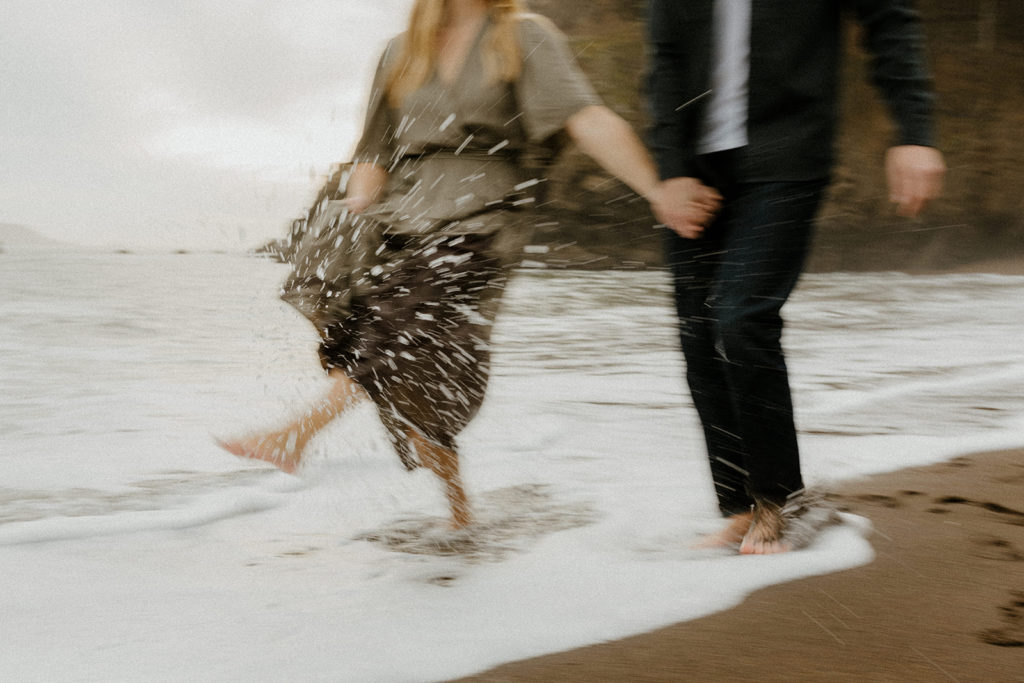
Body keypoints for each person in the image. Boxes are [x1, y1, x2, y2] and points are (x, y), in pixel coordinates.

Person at [220, 0, 719, 529]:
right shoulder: (398, 52)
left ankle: (297, 433)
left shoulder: (523, 35)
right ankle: (461, 513)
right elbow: (373, 154)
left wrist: (656, 190)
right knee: (412, 355)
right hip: (404, 212)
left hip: (483, 214)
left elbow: (586, 118)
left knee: (402, 323)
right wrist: (352, 220)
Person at [646, 0, 946, 554]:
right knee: (697, 330)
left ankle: (783, 502)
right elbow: (665, 57)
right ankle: (740, 507)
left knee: (741, 318)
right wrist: (670, 171)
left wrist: (913, 130)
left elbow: (889, 20)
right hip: (695, 167)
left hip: (786, 155)